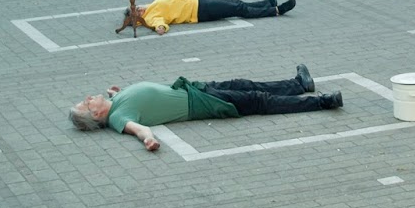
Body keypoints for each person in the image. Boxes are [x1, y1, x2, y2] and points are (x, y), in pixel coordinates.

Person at [68, 66, 340, 152]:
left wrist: (114, 93)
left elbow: (134, 99)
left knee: (245, 84)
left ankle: (299, 84)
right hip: (202, 103)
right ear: (97, 115)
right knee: (259, 101)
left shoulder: (116, 102)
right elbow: (138, 129)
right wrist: (149, 140)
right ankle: (322, 102)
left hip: (196, 89)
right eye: (86, 103)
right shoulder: (118, 118)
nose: (89, 97)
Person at [117, 0, 297, 34]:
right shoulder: (151, 17)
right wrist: (160, 28)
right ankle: (275, 10)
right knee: (237, 8)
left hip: (196, 0)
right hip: (199, 10)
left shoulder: (150, 8)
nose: (139, 8)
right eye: (137, 11)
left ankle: (266, 3)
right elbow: (159, 24)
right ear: (137, 18)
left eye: (137, 7)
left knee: (234, 3)